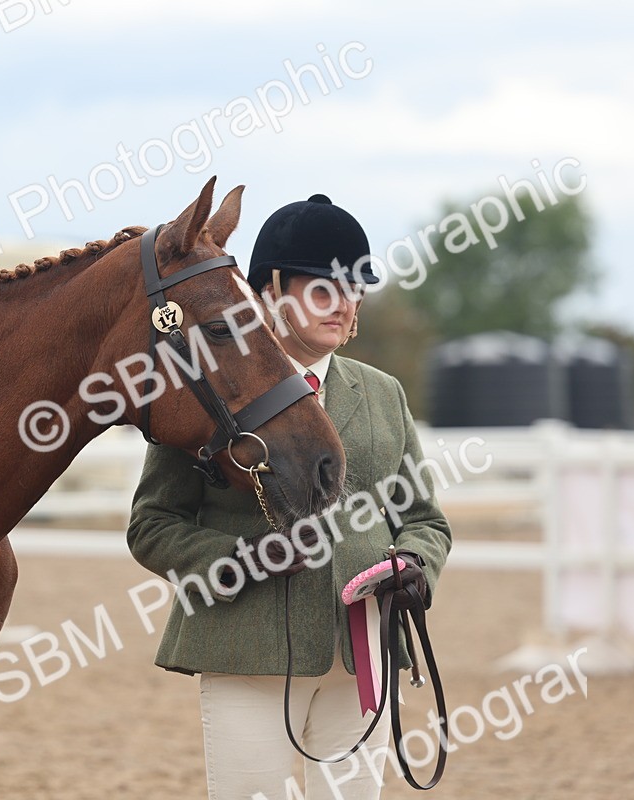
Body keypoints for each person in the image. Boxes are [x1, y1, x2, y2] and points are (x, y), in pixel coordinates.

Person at [127, 194, 452, 800]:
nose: (345, 302)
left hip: (362, 656)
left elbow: (425, 519)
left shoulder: (382, 394)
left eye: (355, 287)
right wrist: (244, 559)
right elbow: (153, 524)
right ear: (271, 291)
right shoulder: (214, 385)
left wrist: (414, 567)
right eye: (324, 287)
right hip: (246, 652)